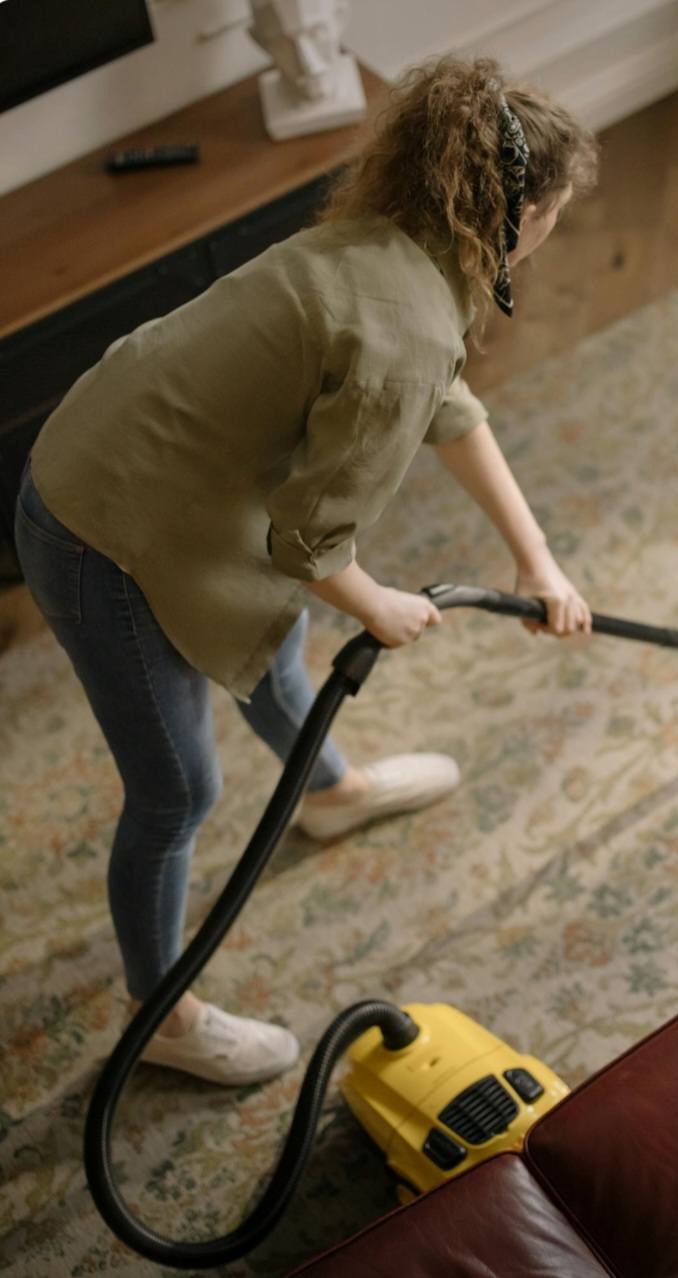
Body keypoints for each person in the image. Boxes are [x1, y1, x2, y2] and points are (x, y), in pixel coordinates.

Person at [13, 55, 599, 1086]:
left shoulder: (396, 247)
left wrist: (535, 557)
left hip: (158, 468)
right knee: (174, 792)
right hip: (103, 529)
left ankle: (328, 794)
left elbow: (449, 407)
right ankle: (163, 1016)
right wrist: (380, 607)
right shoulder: (403, 321)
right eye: (555, 210)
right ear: (527, 211)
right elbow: (308, 544)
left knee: (275, 646)